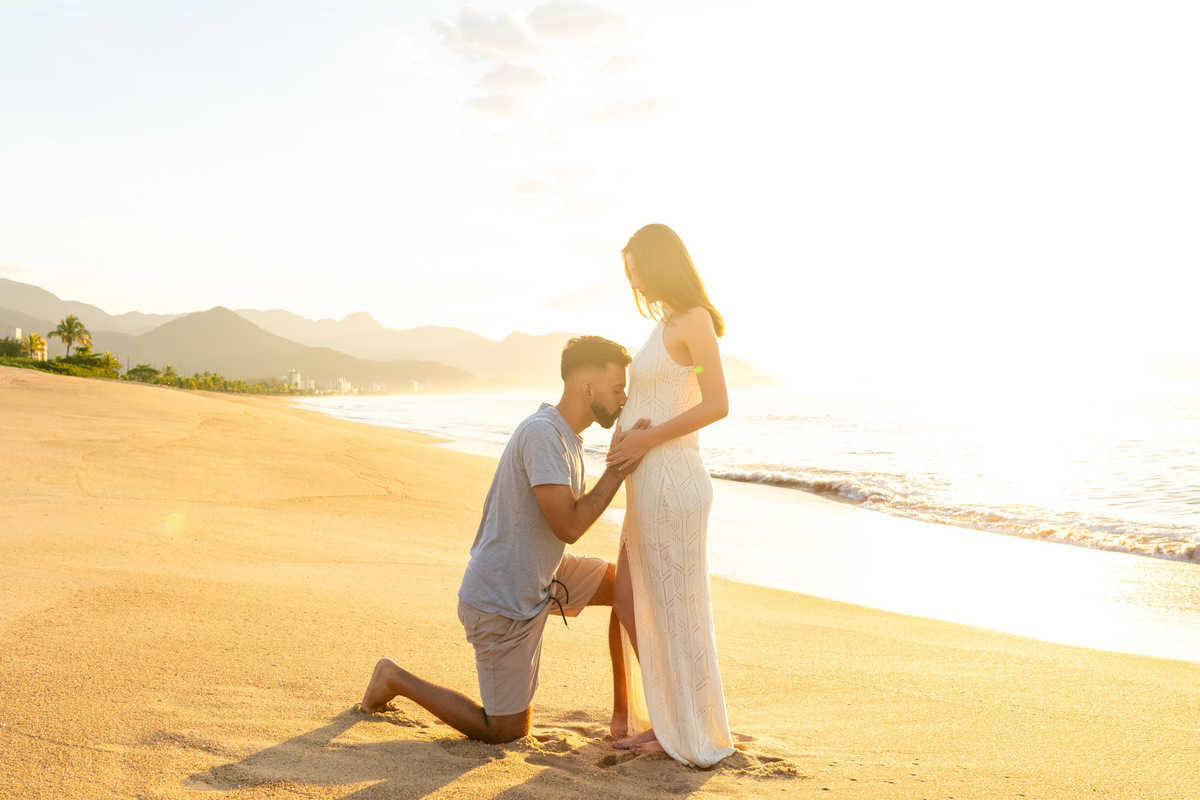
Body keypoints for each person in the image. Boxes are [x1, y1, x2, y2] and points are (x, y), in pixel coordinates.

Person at [360, 335, 650, 744]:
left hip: (540, 577)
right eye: (618, 388)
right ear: (589, 389)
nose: (623, 399)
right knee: (505, 731)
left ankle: (625, 714)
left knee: (625, 585)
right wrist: (617, 471)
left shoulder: (565, 435)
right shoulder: (543, 435)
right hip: (502, 601)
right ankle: (393, 677)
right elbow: (568, 526)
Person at [605, 223, 736, 767]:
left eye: (635, 267)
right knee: (632, 599)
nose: (631, 279)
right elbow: (649, 398)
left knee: (675, 609)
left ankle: (678, 726)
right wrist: (623, 435)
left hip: (675, 478)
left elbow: (716, 402)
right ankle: (669, 717)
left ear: (658, 263)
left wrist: (646, 438)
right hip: (647, 482)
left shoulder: (694, 321)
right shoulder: (662, 326)